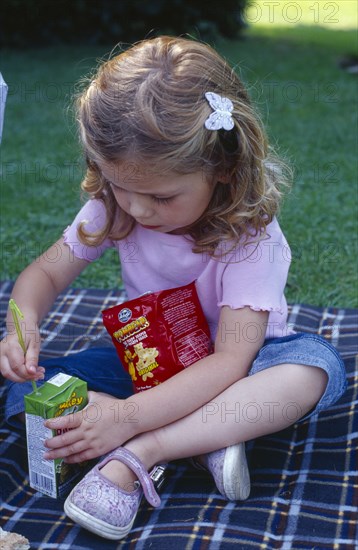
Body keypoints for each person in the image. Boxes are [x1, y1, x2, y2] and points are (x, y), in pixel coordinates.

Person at [0, 36, 347, 540]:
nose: (138, 209)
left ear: (223, 168)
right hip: (149, 362)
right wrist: (22, 321)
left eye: (161, 196)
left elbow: (230, 361)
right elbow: (45, 275)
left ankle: (146, 447)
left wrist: (128, 417)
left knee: (312, 369)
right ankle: (206, 438)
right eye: (121, 186)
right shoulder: (116, 206)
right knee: (26, 388)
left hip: (243, 367)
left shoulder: (250, 237)